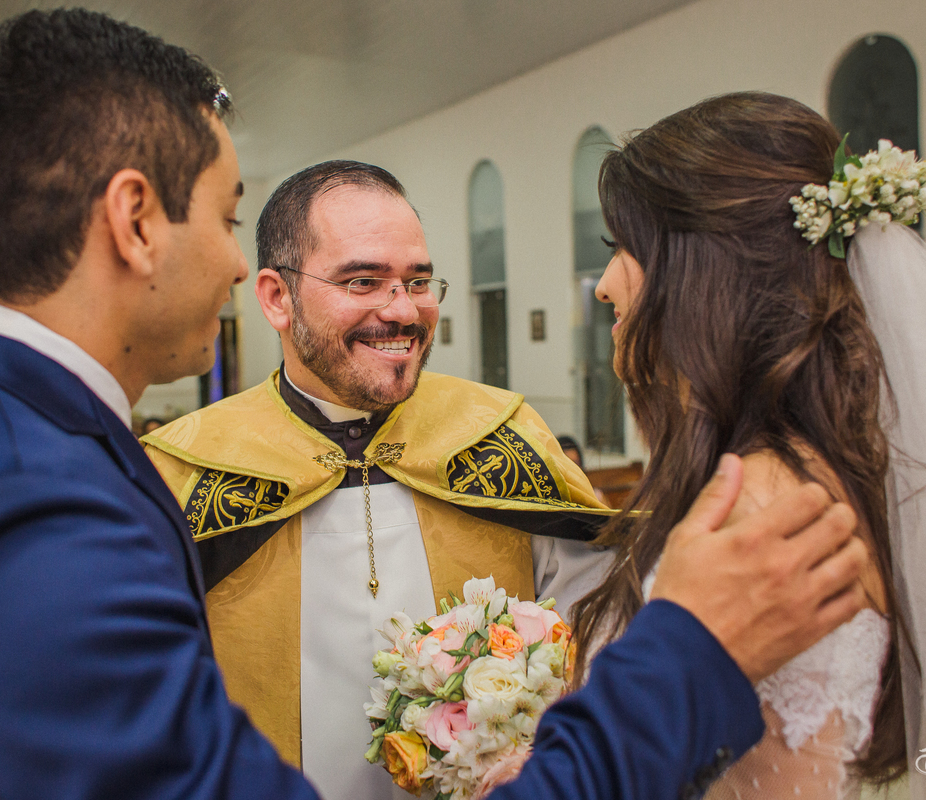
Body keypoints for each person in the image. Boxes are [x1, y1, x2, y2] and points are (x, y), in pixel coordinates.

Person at [0, 10, 869, 799]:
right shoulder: (46, 496)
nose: (233, 262)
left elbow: (595, 610)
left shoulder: (6, 448)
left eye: (419, 280)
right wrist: (688, 656)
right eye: (228, 219)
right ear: (137, 222)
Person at [574, 91, 926, 799]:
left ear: (703, 273)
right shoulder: (813, 468)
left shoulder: (761, 506)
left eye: (623, 248)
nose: (603, 286)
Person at [143, 160, 623, 798]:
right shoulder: (185, 470)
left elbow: (596, 627)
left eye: (418, 281)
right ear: (277, 298)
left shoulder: (500, 435)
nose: (402, 311)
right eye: (363, 281)